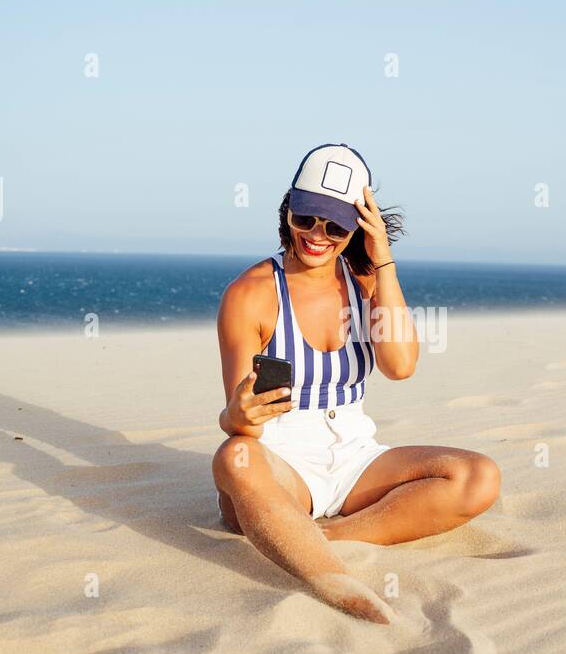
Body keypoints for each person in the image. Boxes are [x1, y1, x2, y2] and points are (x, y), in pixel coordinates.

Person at [211, 144, 501, 622]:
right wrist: (233, 416)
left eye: (336, 225)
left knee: (478, 476)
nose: (317, 236)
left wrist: (382, 262)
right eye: (307, 218)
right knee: (234, 457)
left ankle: (319, 537)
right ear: (289, 211)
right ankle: (338, 586)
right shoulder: (251, 295)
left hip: (353, 456)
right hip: (282, 464)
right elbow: (242, 424)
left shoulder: (365, 282)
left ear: (358, 227)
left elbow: (400, 364)